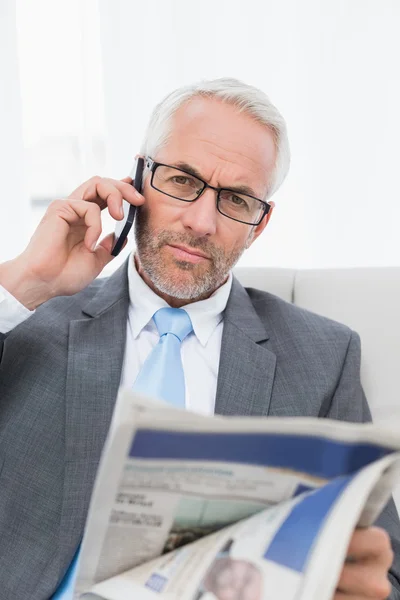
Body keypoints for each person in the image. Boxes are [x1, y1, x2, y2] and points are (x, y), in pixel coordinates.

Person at [0, 77, 398, 599]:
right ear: (138, 178)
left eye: (235, 199)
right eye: (183, 182)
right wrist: (26, 281)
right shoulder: (29, 319)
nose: (201, 221)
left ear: (259, 224)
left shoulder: (323, 357)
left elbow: (382, 572)